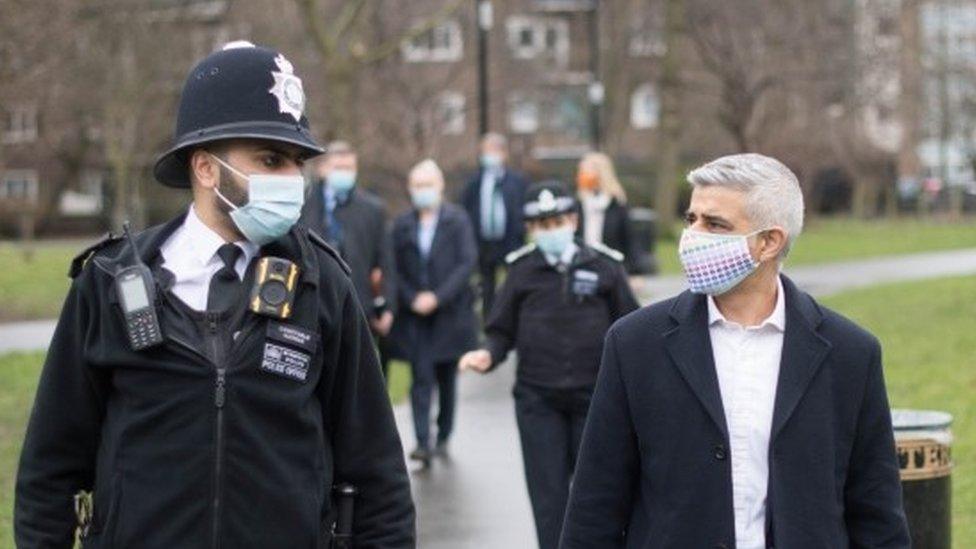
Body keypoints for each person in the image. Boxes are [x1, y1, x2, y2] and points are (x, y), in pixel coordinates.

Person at [14, 42, 415, 548]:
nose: (292, 179)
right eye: (270, 159)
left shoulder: (322, 283)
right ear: (204, 169)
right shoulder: (112, 282)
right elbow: (49, 470)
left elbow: (377, 473)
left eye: (296, 161)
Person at [560, 154, 910, 549]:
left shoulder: (850, 354)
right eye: (692, 219)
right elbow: (595, 505)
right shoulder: (634, 344)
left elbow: (876, 513)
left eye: (715, 224)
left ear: (768, 242)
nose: (692, 235)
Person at [459, 181, 639, 549]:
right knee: (548, 495)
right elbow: (500, 329)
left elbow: (631, 328)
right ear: (530, 230)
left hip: (594, 398)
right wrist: (488, 354)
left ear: (573, 219)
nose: (549, 230)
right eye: (540, 225)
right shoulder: (522, 271)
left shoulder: (604, 265)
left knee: (597, 491)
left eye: (556, 221)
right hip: (538, 399)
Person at [389, 159, 478, 466]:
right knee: (420, 377)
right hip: (416, 317)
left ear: (440, 186)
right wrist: (412, 297)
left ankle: (444, 433)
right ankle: (422, 442)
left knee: (446, 379)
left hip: (449, 314)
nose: (422, 191)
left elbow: (466, 264)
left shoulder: (458, 221)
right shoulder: (401, 225)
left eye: (427, 185)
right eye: (417, 185)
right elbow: (394, 268)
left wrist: (438, 298)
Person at [300, 140, 397, 378]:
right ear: (323, 169)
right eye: (338, 167)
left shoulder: (372, 209)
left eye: (349, 168)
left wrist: (389, 307)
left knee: (359, 376)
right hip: (312, 304)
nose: (344, 173)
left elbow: (386, 262)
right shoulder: (303, 206)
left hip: (359, 305)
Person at [460, 132, 529, 316]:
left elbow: (523, 209)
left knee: (513, 282)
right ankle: (489, 319)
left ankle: (513, 316)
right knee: (486, 285)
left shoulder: (517, 181)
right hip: (483, 243)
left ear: (504, 154)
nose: (489, 155)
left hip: (510, 241)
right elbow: (466, 210)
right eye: (485, 151)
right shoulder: (473, 183)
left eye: (494, 150)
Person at [574, 152, 638, 273]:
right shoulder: (578, 205)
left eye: (586, 171)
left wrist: (634, 272)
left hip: (612, 269)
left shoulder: (617, 204)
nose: (581, 176)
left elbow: (628, 240)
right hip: (583, 268)